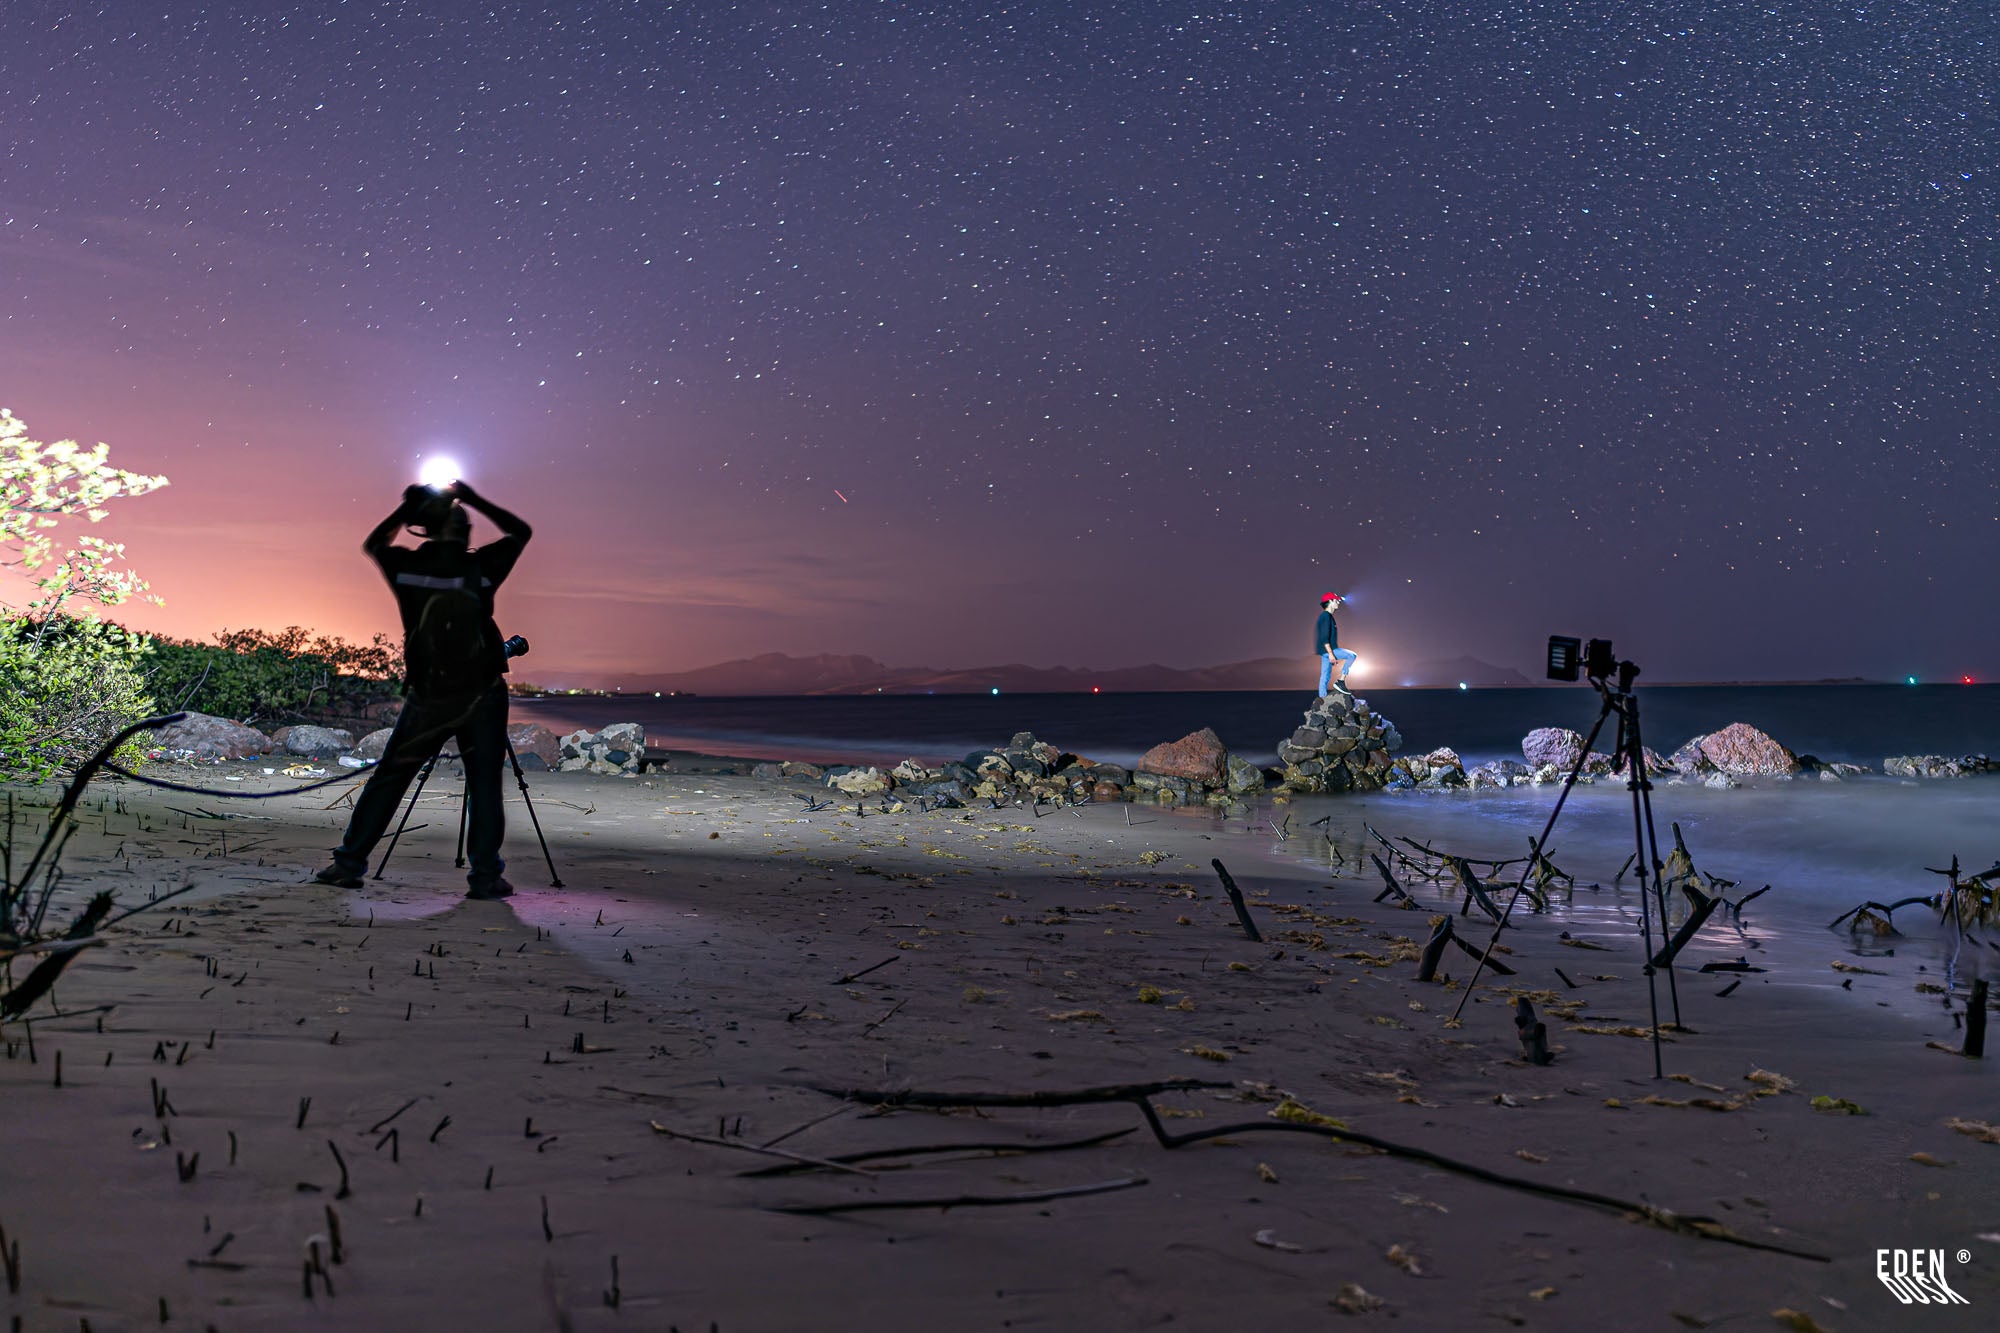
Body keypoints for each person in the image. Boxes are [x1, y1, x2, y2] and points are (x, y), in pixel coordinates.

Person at [315, 479, 532, 898]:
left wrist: (407, 510)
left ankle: (348, 864)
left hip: (429, 695)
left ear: (423, 527)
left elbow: (374, 543)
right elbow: (520, 532)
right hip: (482, 693)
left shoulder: (408, 570)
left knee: (390, 777)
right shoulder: (480, 569)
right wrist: (472, 496)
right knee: (484, 783)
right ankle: (485, 876)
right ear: (466, 530)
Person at [1315, 591, 1356, 697]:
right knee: (1352, 655)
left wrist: (1330, 653)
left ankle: (1322, 699)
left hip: (1325, 651)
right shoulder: (1326, 616)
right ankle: (1340, 681)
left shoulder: (1327, 616)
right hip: (1328, 650)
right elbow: (1324, 637)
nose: (1338, 602)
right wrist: (1331, 653)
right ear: (1330, 601)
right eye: (1336, 600)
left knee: (1325, 676)